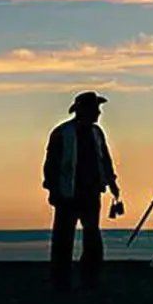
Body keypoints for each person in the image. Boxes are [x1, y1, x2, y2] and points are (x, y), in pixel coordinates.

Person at [42, 91, 120, 290]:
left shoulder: (96, 132)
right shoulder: (62, 133)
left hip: (90, 192)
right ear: (84, 110)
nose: (98, 113)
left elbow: (105, 159)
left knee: (91, 235)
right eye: (95, 108)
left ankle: (90, 277)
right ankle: (62, 280)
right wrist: (53, 190)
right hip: (68, 193)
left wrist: (112, 182)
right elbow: (51, 165)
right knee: (64, 237)